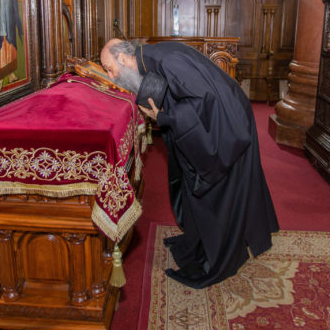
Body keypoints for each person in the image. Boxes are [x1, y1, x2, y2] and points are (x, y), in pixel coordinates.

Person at [100, 38, 279, 288]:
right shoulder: (148, 57)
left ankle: (218, 259)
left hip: (227, 125)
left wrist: (163, 117)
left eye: (110, 69)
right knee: (190, 181)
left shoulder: (167, 61)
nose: (112, 76)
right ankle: (199, 243)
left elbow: (202, 101)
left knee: (216, 191)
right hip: (215, 119)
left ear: (122, 58)